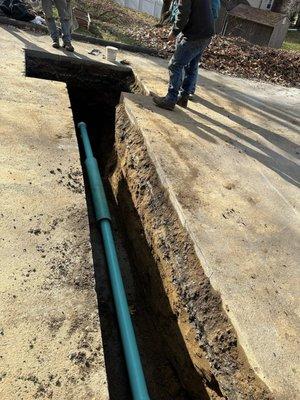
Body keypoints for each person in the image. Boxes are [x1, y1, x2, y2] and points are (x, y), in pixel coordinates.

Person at [153, 0, 215, 110]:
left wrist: (174, 32)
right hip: (206, 34)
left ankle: (171, 99)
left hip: (194, 35)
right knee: (191, 65)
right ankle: (183, 98)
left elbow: (183, 14)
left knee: (175, 65)